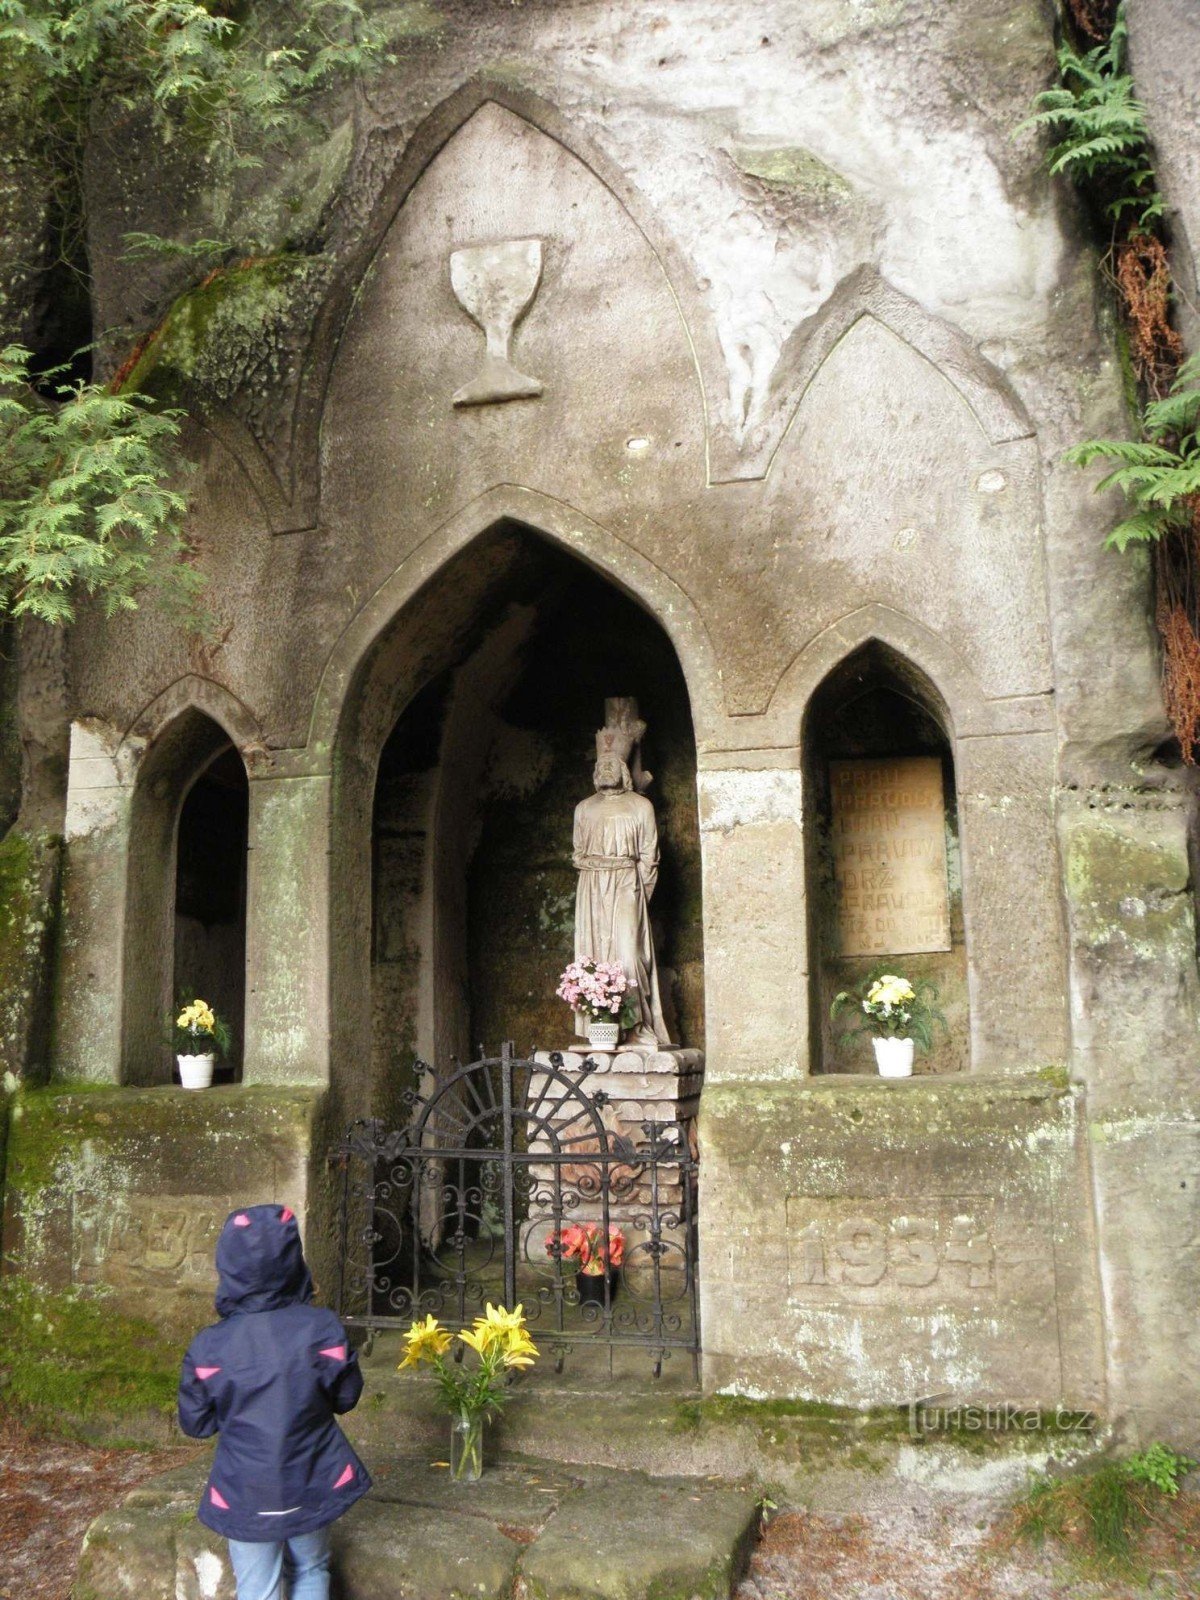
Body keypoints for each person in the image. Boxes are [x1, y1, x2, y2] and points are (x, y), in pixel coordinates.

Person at [178, 1203, 371, 1600]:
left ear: (227, 1264)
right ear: (292, 1260)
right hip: (312, 1477)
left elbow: (195, 1424)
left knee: (258, 1589)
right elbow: (346, 1397)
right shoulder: (322, 1329)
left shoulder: (209, 1347)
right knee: (312, 1567)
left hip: (245, 1487)